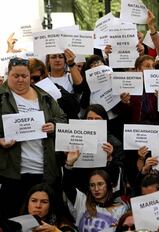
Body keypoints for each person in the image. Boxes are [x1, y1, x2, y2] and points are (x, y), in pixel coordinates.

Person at [0, 58, 67, 218]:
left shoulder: (44, 96)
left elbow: (62, 118)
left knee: (41, 220)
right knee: (13, 219)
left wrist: (53, 125)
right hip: (13, 172)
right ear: (8, 75)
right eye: (16, 76)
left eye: (24, 75)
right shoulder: (1, 98)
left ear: (30, 76)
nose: (20, 79)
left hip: (44, 170)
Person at [63, 152, 129, 232]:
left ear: (108, 186)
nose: (96, 189)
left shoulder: (121, 209)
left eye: (100, 184)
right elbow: (67, 186)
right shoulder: (83, 203)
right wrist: (69, 164)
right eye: (92, 185)